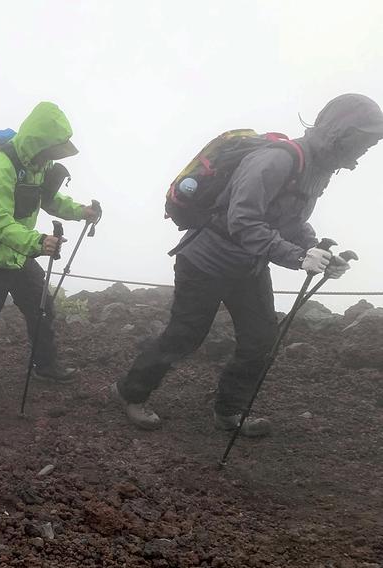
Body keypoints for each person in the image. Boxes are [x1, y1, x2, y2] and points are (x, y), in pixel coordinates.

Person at [110, 93, 383, 437]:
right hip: (205, 262)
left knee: (260, 340)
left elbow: (290, 221)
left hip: (247, 267)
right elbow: (243, 221)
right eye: (366, 140)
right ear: (342, 132)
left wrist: (316, 250)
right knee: (185, 336)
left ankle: (229, 410)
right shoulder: (276, 161)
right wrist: (299, 257)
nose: (367, 149)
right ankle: (129, 392)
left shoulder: (316, 169)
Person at [0, 102, 102, 399]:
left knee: (42, 309)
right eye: (51, 150)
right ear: (38, 142)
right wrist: (39, 243)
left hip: (19, 257)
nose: (52, 157)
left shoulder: (36, 164)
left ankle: (44, 365)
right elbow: (1, 225)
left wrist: (81, 211)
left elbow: (50, 200)